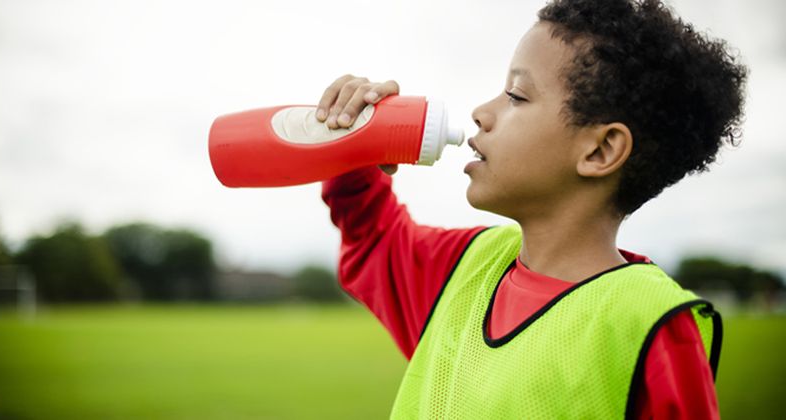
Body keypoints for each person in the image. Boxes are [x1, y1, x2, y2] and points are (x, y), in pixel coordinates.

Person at [315, 0, 747, 418]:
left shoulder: (651, 327)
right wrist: (355, 145)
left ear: (600, 150)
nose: (482, 113)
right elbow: (372, 235)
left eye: (516, 96)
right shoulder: (463, 269)